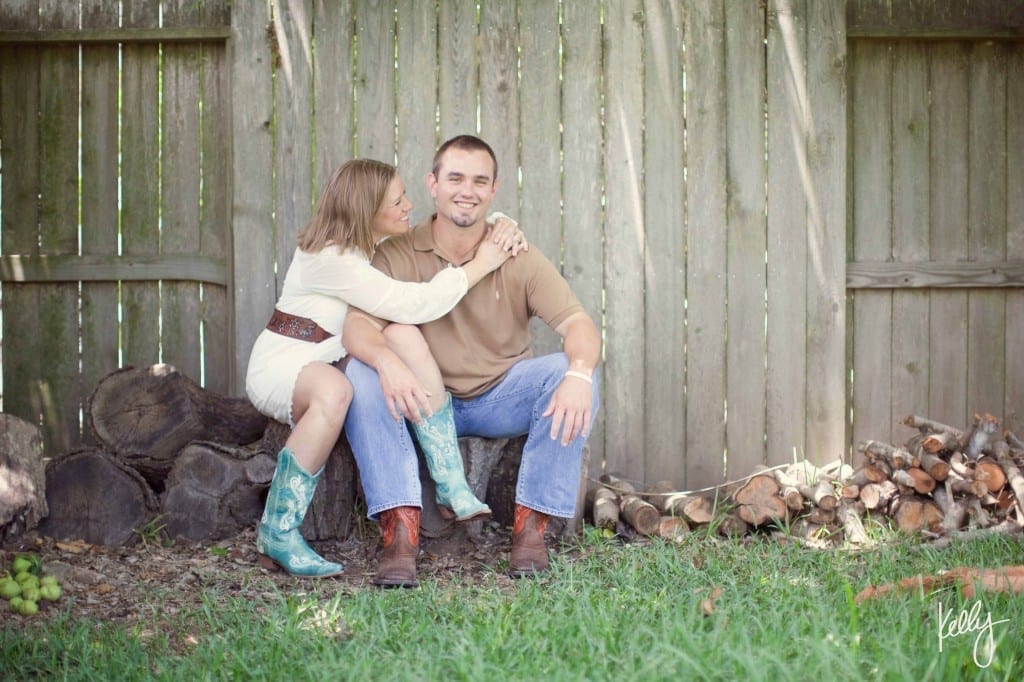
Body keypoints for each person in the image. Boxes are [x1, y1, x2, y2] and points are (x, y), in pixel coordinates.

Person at [245, 158, 526, 578]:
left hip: (328, 358)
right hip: (287, 362)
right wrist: (483, 263)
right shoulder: (331, 258)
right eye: (398, 201)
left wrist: (499, 222)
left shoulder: (371, 247)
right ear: (367, 209)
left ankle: (451, 481)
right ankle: (278, 531)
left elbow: (442, 233)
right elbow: (415, 302)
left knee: (403, 335)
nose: (409, 205)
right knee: (337, 390)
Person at [342, 135, 602, 587]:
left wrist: (580, 372)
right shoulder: (398, 252)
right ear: (433, 184)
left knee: (571, 373)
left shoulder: (515, 253)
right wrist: (386, 362)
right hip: (421, 399)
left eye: (480, 181)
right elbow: (357, 328)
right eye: (456, 178)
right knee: (362, 373)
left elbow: (579, 322)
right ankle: (400, 532)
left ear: (494, 190)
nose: (468, 190)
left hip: (499, 397)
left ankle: (532, 530)